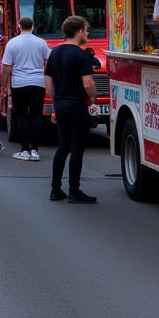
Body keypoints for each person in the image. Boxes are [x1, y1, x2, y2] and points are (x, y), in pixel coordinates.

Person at [45, 15, 98, 204]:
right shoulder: (82, 55)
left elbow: (48, 79)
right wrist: (94, 98)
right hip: (77, 105)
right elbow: (87, 82)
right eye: (86, 29)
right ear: (79, 32)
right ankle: (74, 190)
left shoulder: (55, 53)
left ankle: (55, 189)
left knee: (63, 147)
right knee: (77, 148)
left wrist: (55, 99)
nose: (88, 33)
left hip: (61, 104)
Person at [0, 16, 50, 161]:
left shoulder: (12, 43)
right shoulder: (41, 43)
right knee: (36, 115)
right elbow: (48, 61)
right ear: (33, 26)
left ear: (19, 26)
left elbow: (6, 67)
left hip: (19, 83)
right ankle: (35, 150)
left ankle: (24, 149)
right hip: (38, 83)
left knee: (21, 115)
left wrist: (3, 86)